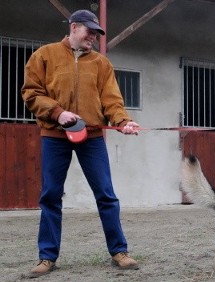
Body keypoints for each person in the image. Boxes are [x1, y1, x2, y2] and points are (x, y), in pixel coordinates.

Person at [21, 10, 141, 277]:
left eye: (97, 34)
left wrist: (123, 121)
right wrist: (57, 112)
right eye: (90, 32)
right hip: (55, 137)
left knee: (106, 195)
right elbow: (31, 93)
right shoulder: (44, 55)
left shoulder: (101, 64)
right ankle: (47, 257)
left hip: (92, 138)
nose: (94, 38)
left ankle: (119, 252)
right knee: (51, 196)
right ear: (74, 28)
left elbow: (112, 101)